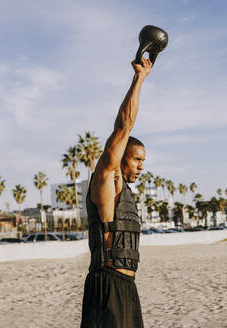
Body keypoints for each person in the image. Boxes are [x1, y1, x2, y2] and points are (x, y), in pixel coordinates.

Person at [80, 58, 152, 328]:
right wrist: (140, 78)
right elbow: (123, 127)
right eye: (136, 159)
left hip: (127, 287)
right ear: (121, 157)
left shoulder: (128, 194)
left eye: (143, 161)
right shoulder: (108, 179)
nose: (141, 166)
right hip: (106, 286)